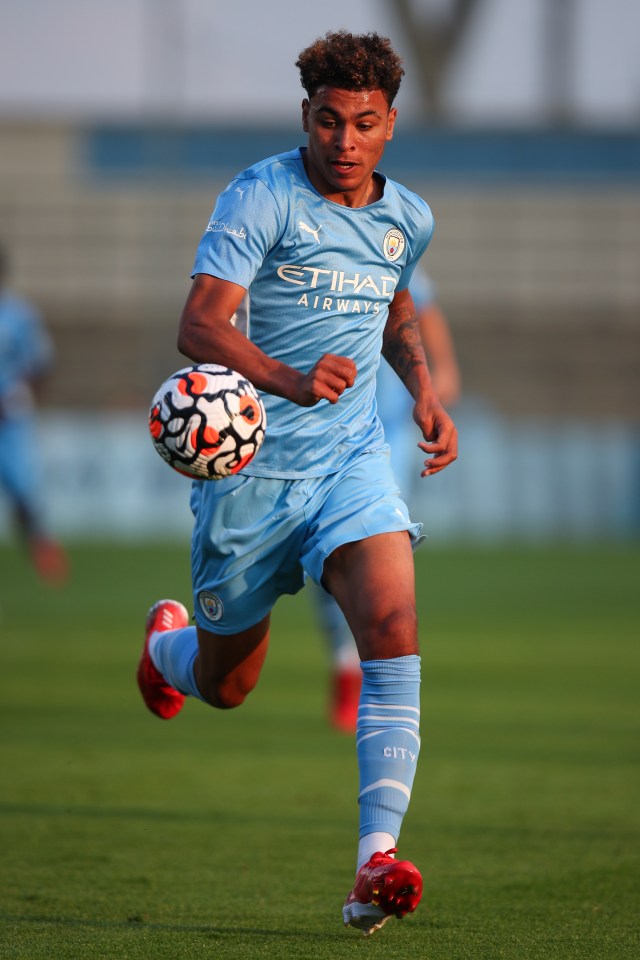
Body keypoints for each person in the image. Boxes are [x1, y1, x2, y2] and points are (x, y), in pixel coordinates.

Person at [137, 30, 457, 936]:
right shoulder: (261, 195)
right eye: (327, 121)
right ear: (305, 117)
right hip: (249, 477)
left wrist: (425, 394)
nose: (343, 141)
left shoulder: (410, 217)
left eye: (363, 123)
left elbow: (395, 304)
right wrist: (285, 378)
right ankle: (165, 653)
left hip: (351, 462)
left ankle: (374, 866)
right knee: (227, 683)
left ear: (389, 124)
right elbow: (199, 326)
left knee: (393, 626)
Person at [320, 269, 461, 732]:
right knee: (326, 556)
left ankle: (373, 675)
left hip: (389, 431)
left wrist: (442, 372)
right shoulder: (313, 247)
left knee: (378, 544)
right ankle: (346, 661)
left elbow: (420, 308)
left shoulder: (388, 241)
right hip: (323, 426)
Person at [0, 242, 68, 584]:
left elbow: (40, 363)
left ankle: (43, 551)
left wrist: (22, 395)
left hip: (8, 420)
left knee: (23, 492)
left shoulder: (18, 315)